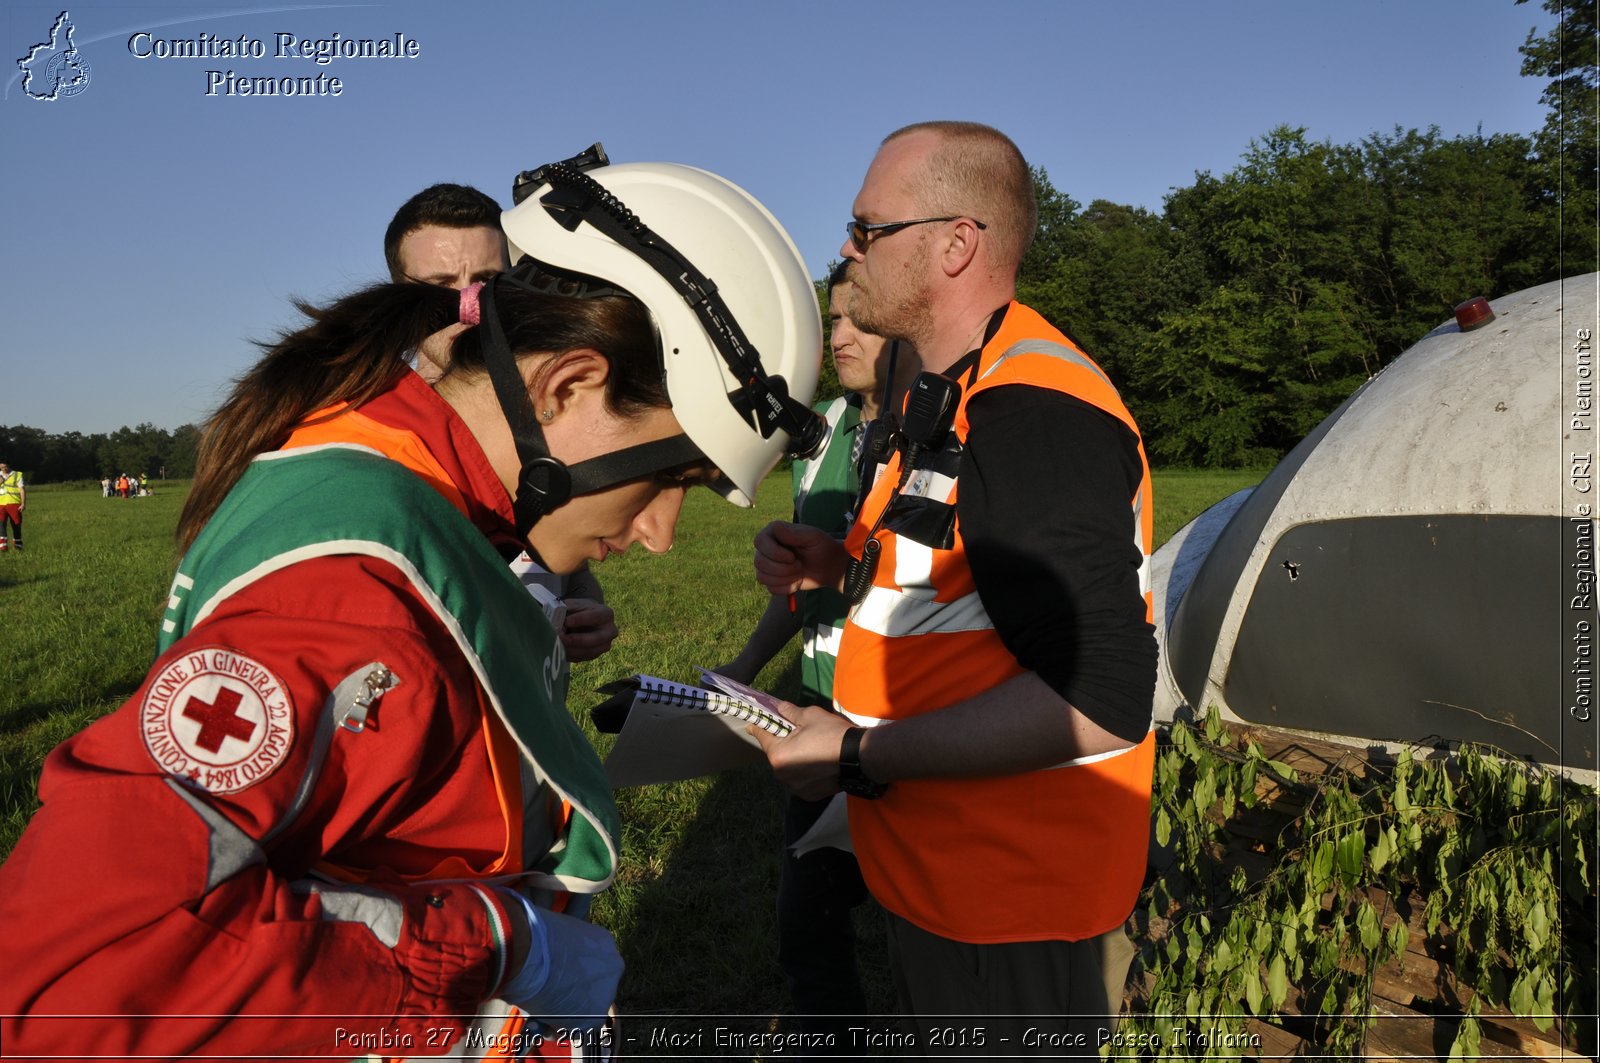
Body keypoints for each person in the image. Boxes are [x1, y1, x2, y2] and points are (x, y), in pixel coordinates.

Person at [0, 150, 823, 1060]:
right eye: (670, 476)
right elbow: (74, 977)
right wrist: (503, 947)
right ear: (569, 385)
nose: (662, 533)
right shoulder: (360, 596)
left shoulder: (403, 466)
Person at [752, 121, 1157, 1054]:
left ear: (955, 242)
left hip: (1012, 900)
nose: (847, 249)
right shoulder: (945, 392)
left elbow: (1100, 698)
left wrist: (856, 753)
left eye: (867, 227)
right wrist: (838, 569)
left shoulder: (1030, 410)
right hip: (946, 875)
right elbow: (963, 577)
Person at [719, 261, 916, 1040]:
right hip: (817, 717)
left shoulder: (945, 434)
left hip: (909, 717)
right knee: (809, 934)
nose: (840, 337)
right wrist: (742, 669)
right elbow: (800, 598)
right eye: (832, 320)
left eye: (859, 320)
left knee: (922, 933)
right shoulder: (823, 432)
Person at [387, 181, 617, 665]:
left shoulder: (549, 414)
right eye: (440, 286)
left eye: (489, 280)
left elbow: (555, 558)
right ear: (394, 298)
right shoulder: (367, 427)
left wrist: (582, 607)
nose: (468, 305)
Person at [0, 461, 24, 551]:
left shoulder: (17, 475)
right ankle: (3, 546)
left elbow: (22, 489)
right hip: (1, 504)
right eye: (1, 467)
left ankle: (18, 546)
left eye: (5, 467)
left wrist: (23, 503)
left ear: (9, 465)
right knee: (1, 524)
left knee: (16, 525)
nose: (4, 469)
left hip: (14, 503)